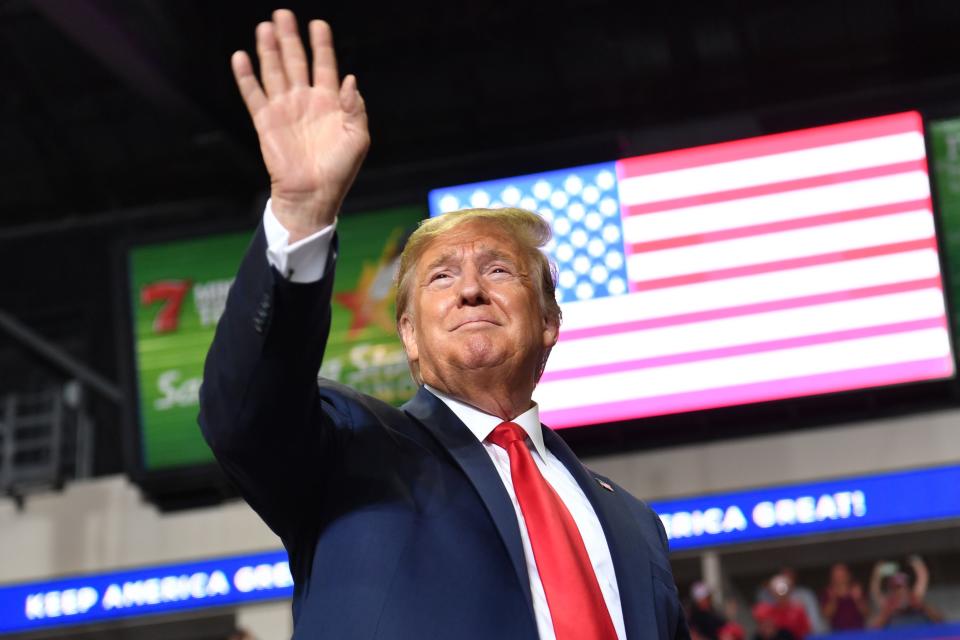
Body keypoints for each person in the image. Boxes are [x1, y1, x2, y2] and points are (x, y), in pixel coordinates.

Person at [199, 8, 689, 640]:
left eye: (499, 271)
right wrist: (300, 216)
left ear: (548, 322)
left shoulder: (636, 526)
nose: (470, 290)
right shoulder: (348, 449)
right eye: (440, 277)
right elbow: (242, 413)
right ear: (407, 333)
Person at [868, 557, 943, 629]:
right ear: (892, 590)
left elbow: (940, 620)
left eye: (903, 586)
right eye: (897, 588)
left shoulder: (915, 599)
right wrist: (888, 611)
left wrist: (922, 607)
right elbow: (873, 628)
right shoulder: (889, 605)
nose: (901, 591)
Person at [820, 562, 868, 631]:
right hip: (837, 633)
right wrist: (833, 599)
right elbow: (826, 615)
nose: (839, 579)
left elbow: (866, 613)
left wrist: (858, 599)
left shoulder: (857, 590)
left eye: (842, 575)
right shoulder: (828, 592)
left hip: (858, 632)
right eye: (836, 576)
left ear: (848, 576)